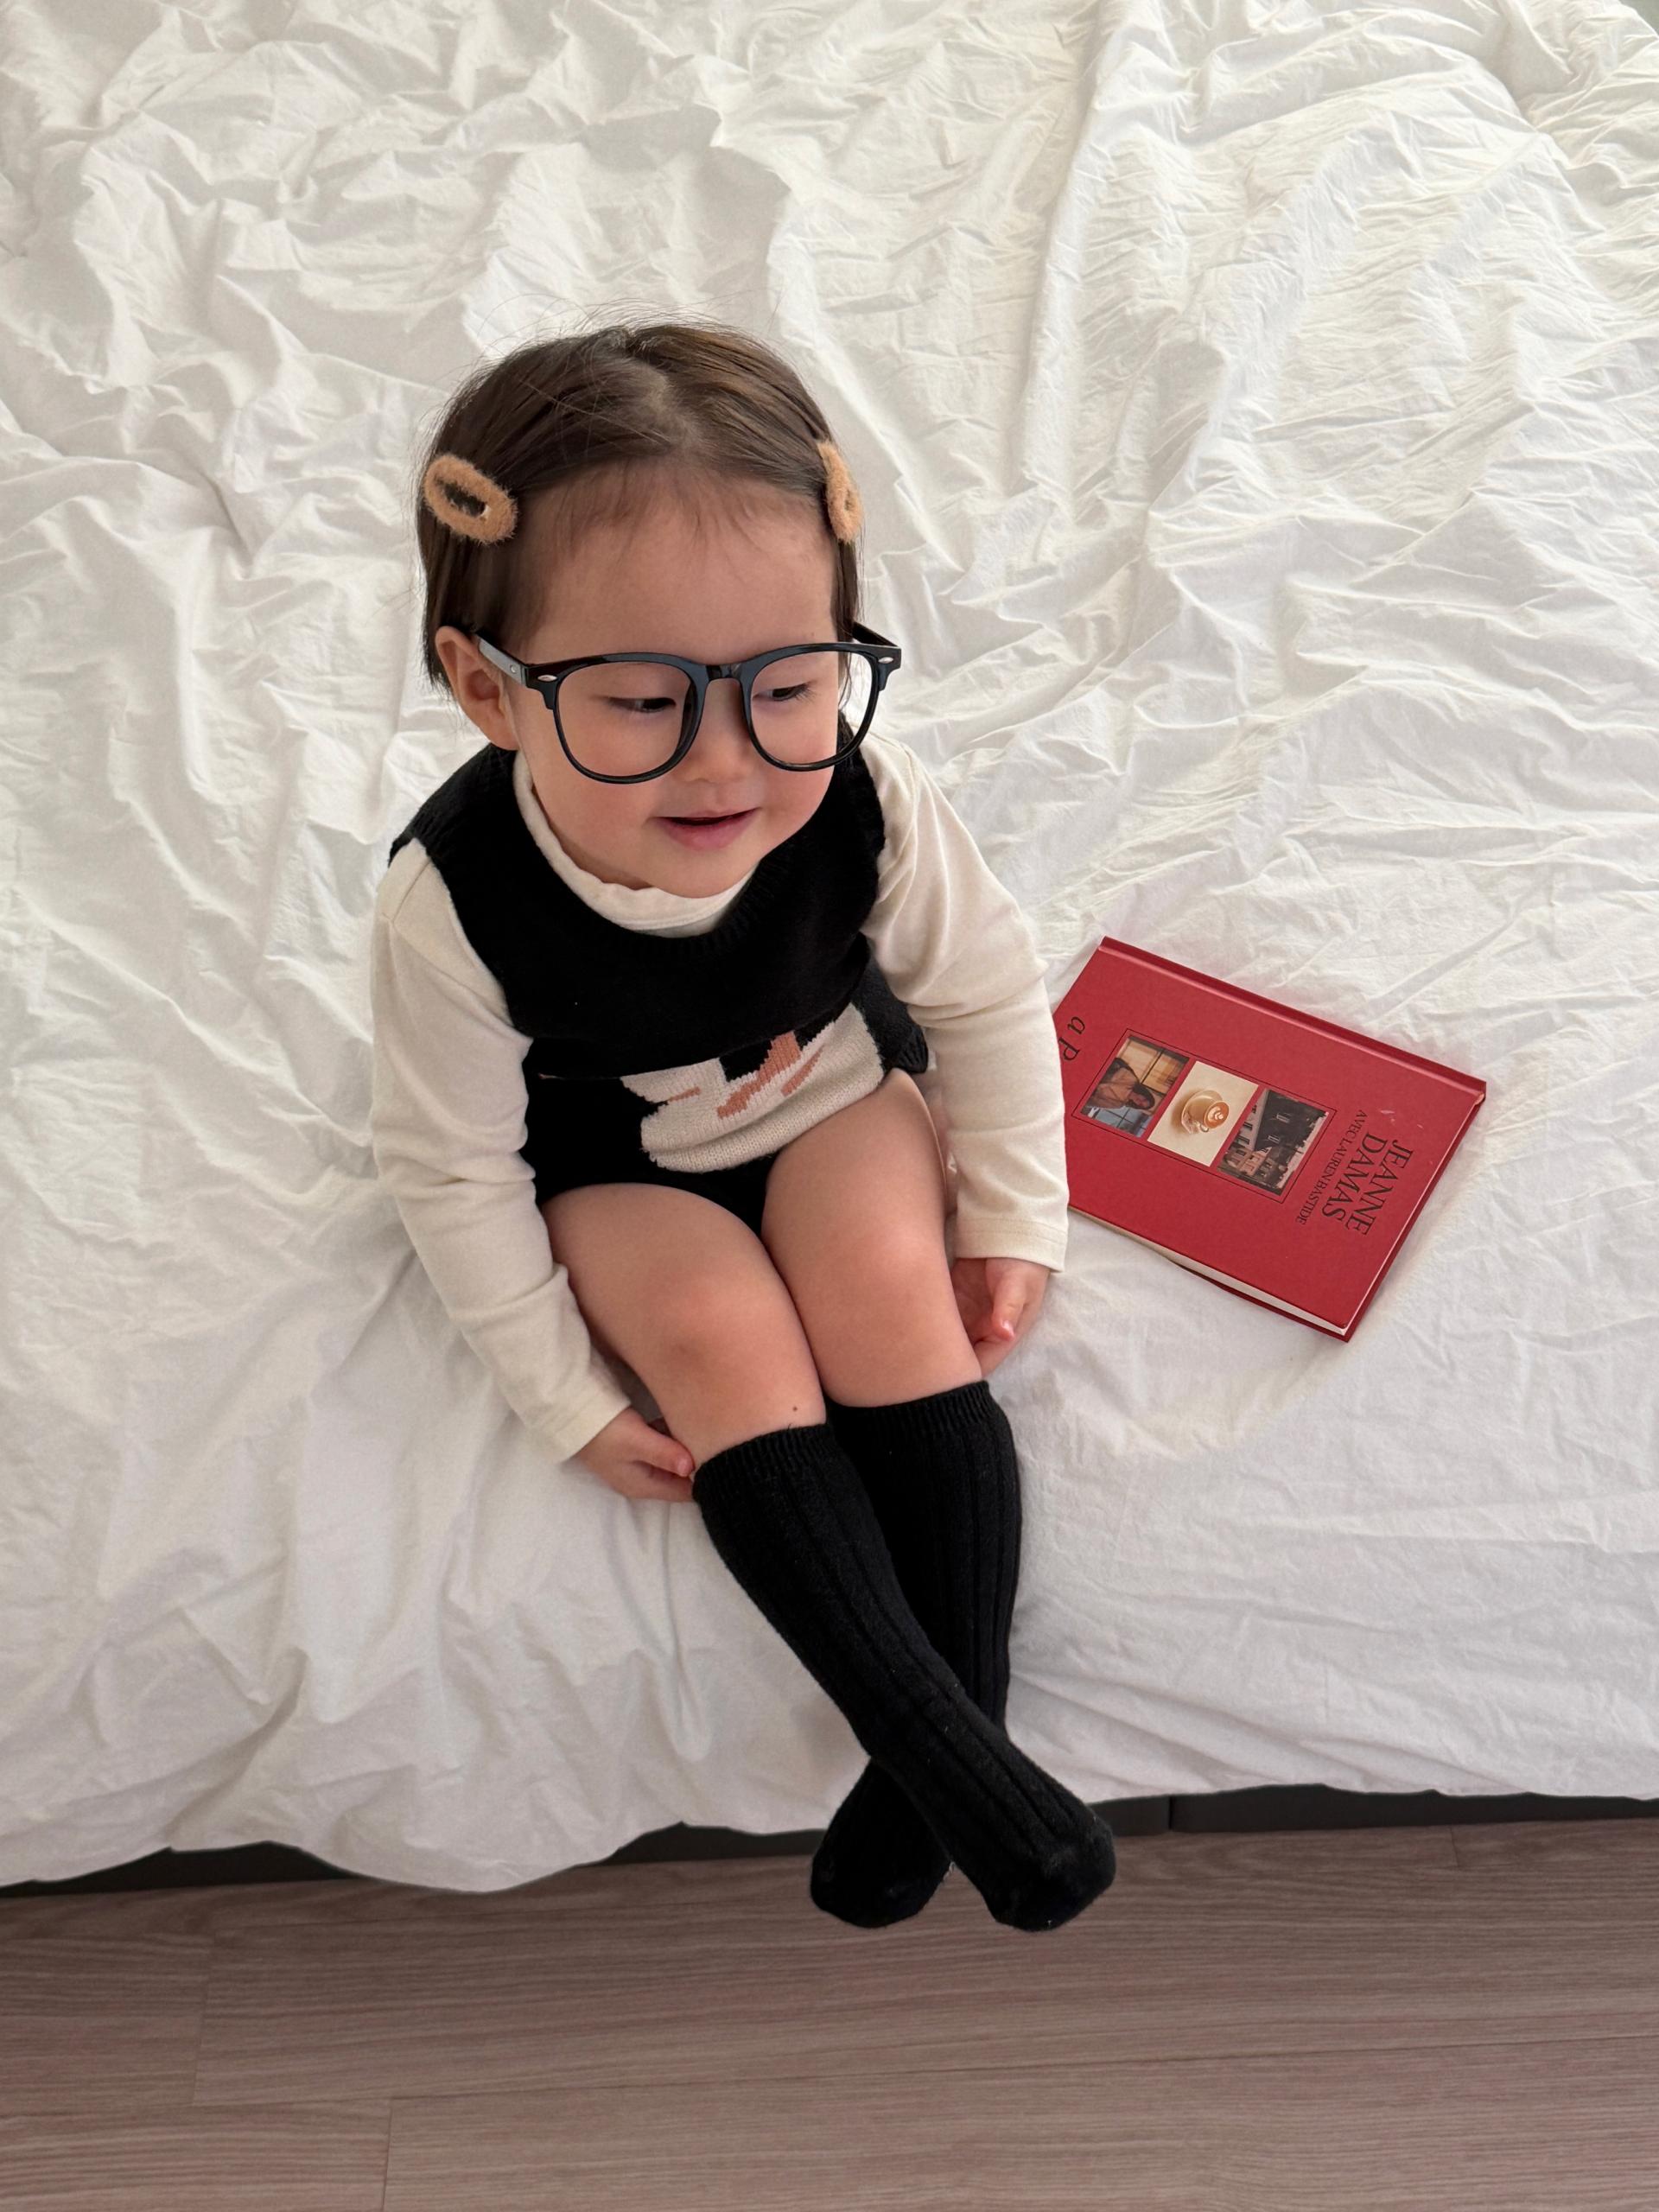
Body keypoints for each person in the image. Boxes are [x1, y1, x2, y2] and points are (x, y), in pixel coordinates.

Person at [369, 317, 1116, 1935]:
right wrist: (559, 1394)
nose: (725, 762)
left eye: (788, 685)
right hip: (616, 1157)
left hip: (828, 1087)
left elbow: (985, 993)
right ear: (485, 687)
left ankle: (943, 1750)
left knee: (889, 1294)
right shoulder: (454, 904)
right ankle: (950, 1753)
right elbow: (450, 1163)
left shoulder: (859, 795)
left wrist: (1013, 1210)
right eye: (643, 701)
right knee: (718, 1341)